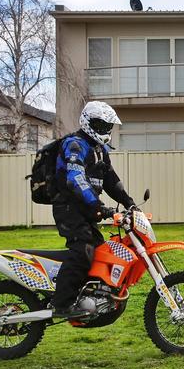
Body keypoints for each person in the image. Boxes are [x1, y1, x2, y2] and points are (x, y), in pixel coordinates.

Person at [49, 101, 135, 318]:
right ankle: (62, 304)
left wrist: (130, 203)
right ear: (88, 122)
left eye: (108, 126)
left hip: (85, 210)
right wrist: (99, 207)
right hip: (68, 208)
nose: (105, 130)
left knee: (99, 250)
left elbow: (111, 181)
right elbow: (75, 179)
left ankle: (90, 296)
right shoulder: (75, 145)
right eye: (100, 124)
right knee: (83, 250)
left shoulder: (100, 150)